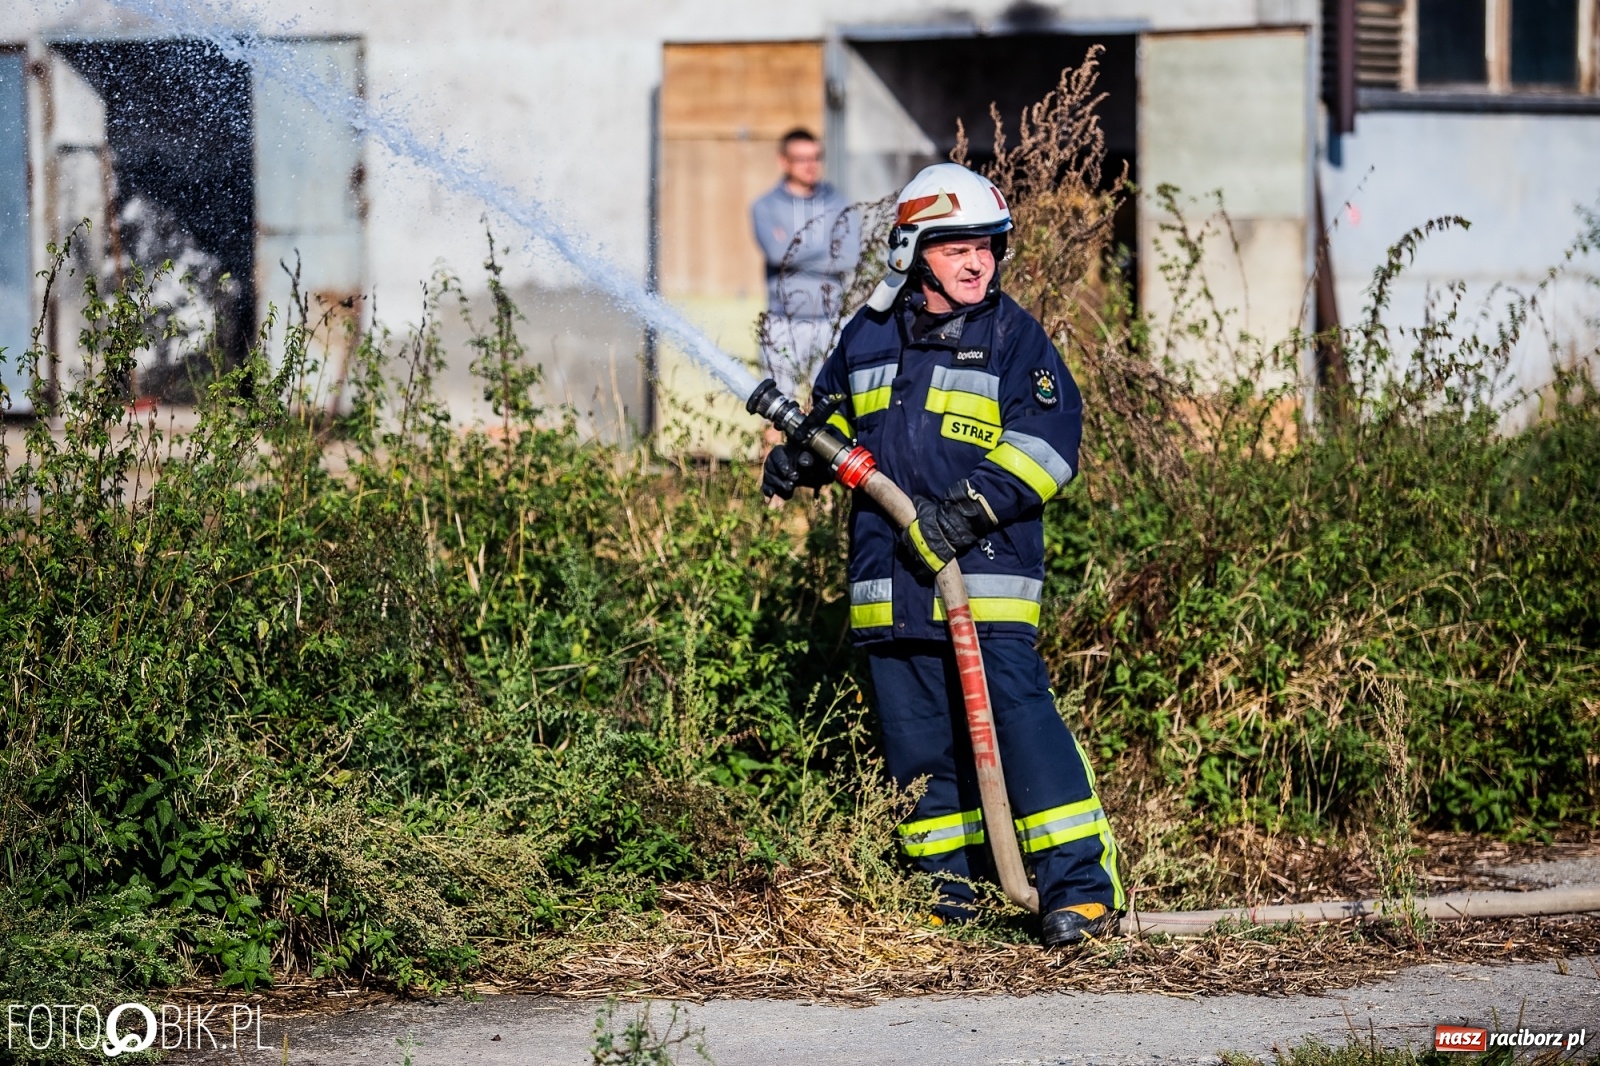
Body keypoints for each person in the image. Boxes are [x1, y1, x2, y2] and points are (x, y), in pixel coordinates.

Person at [760, 163, 1125, 948]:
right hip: (888, 590)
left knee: (1022, 731)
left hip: (982, 585)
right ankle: (950, 902)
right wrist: (799, 462)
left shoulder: (1012, 335)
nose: (977, 263)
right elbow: (833, 429)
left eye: (988, 248)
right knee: (920, 749)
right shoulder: (865, 336)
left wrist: (965, 513)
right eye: (957, 247)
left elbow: (1049, 445)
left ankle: (1082, 893)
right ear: (911, 254)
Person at [750, 128, 856, 400]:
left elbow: (848, 257)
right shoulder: (765, 206)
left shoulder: (839, 203)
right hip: (783, 322)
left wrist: (794, 250)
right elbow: (776, 255)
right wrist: (826, 249)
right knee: (775, 412)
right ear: (783, 161)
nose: (811, 165)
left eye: (816, 157)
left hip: (831, 322)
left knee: (829, 408)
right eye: (801, 158)